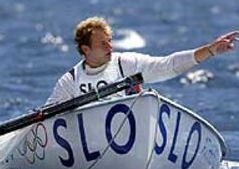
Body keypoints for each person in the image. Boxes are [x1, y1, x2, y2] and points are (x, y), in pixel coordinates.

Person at [47, 17, 238, 104]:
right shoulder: (70, 81)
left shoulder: (127, 63)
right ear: (85, 49)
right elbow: (47, 114)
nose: (110, 47)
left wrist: (210, 50)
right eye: (102, 44)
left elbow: (169, 65)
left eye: (110, 41)